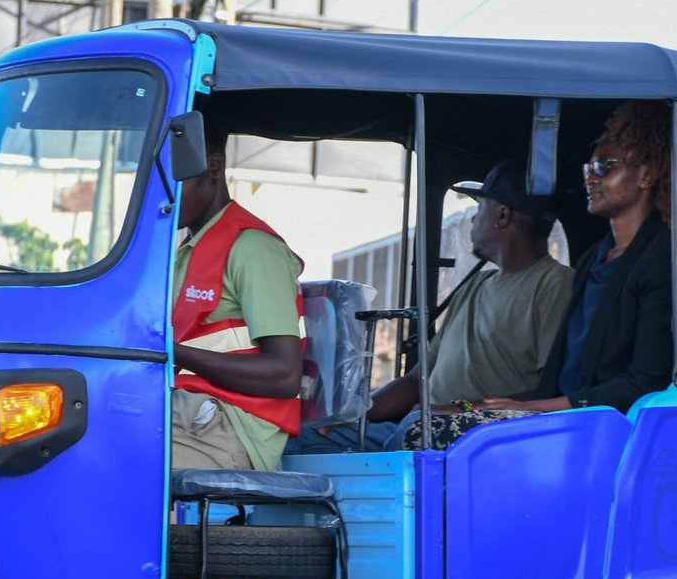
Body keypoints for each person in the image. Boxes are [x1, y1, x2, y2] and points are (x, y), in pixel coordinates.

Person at [293, 158, 572, 452]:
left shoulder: (555, 284)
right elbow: (418, 379)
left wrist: (466, 409)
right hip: (418, 425)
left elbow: (551, 390)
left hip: (478, 438)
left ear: (502, 216)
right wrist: (354, 413)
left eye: (479, 210)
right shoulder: (476, 284)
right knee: (300, 438)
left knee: (410, 432)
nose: (473, 222)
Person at [481, 100, 677, 417]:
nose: (591, 179)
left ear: (646, 174)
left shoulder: (663, 261)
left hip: (611, 425)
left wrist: (533, 408)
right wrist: (523, 412)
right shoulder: (593, 259)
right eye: (588, 169)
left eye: (605, 167)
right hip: (567, 417)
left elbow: (644, 383)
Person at [171, 124, 304, 471]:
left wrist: (170, 352)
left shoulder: (254, 250)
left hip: (229, 428)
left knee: (114, 467)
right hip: (188, 410)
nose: (166, 195)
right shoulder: (187, 249)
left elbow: (284, 375)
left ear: (214, 167)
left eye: (177, 179)